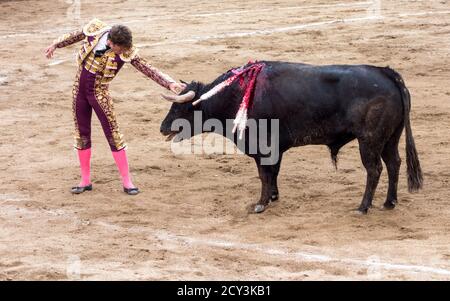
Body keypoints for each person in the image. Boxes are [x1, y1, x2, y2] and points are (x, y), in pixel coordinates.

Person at [45, 18, 186, 195]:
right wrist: (56, 44)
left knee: (113, 134)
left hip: (99, 93)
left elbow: (146, 67)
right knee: (81, 133)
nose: (125, 52)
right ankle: (85, 180)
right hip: (79, 91)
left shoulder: (125, 50)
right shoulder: (95, 30)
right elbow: (75, 35)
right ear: (111, 42)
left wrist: (169, 83)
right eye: (121, 48)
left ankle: (127, 182)